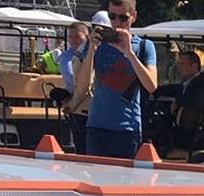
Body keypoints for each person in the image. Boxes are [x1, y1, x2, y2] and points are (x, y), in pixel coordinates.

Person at [68, 1, 158, 159]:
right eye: (112, 16)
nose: (117, 22)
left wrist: (129, 53)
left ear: (133, 17)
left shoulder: (144, 46)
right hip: (97, 128)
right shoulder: (97, 44)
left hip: (128, 129)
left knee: (125, 175)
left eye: (123, 18)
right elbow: (82, 87)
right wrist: (91, 51)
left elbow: (151, 86)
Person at [153, 49, 204, 154]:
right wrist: (153, 89)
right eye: (178, 63)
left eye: (182, 64)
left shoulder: (202, 83)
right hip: (183, 128)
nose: (179, 67)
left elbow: (196, 99)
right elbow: (172, 89)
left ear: (194, 66)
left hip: (194, 133)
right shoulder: (186, 84)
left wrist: (178, 102)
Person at [59, 21, 91, 154]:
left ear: (87, 37)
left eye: (77, 36)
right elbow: (69, 82)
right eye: (70, 37)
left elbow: (86, 85)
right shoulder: (65, 57)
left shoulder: (91, 56)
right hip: (73, 106)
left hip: (87, 106)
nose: (73, 40)